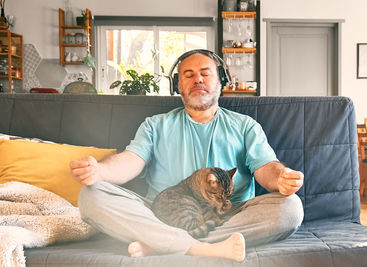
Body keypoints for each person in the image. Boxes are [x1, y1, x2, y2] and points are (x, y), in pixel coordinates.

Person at [70, 50, 304, 262]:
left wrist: (282, 176)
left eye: (205, 73)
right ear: (178, 85)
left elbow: (266, 167)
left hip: (227, 215)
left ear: (220, 81)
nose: (198, 79)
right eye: (188, 75)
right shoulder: (155, 125)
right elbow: (132, 160)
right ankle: (194, 245)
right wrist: (101, 171)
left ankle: (161, 243)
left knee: (291, 207)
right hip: (161, 214)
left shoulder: (246, 126)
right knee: (92, 196)